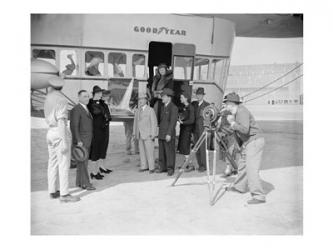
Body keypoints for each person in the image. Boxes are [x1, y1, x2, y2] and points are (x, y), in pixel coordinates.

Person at [223, 92, 266, 205]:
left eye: (226, 104)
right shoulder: (237, 113)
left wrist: (232, 123)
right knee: (242, 165)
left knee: (251, 169)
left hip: (255, 141)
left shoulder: (241, 111)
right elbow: (238, 132)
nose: (225, 106)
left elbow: (245, 130)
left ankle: (259, 196)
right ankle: (239, 187)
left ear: (232, 104)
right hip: (248, 142)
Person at [44, 77, 80, 202]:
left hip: (50, 132)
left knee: (52, 163)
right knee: (64, 164)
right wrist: (64, 142)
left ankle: (52, 191)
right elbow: (61, 121)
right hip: (59, 132)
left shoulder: (48, 97)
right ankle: (64, 195)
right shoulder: (61, 99)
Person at [70, 90, 96, 191]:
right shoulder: (77, 109)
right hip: (82, 141)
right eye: (85, 96)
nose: (87, 98)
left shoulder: (85, 108)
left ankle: (79, 182)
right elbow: (74, 126)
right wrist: (78, 140)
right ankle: (86, 183)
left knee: (82, 163)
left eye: (88, 96)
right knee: (84, 163)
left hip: (87, 139)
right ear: (79, 97)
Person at [87, 85, 112, 180]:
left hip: (104, 129)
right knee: (95, 151)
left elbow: (107, 114)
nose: (100, 94)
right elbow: (95, 114)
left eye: (101, 93)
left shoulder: (102, 103)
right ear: (94, 94)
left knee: (103, 147)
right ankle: (94, 172)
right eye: (99, 93)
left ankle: (100, 168)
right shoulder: (90, 104)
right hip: (96, 130)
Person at [156, 88, 178, 176]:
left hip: (168, 134)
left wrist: (169, 133)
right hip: (161, 133)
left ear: (169, 97)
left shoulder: (174, 108)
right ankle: (162, 167)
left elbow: (172, 122)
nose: (162, 98)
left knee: (170, 152)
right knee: (161, 151)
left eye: (163, 97)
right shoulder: (162, 107)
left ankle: (170, 168)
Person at [133, 95, 158, 173]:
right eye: (139, 99)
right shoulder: (137, 110)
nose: (140, 100)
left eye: (142, 99)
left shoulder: (150, 110)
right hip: (140, 134)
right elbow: (135, 123)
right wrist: (134, 133)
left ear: (146, 100)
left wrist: (153, 134)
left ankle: (152, 167)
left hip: (148, 134)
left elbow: (154, 123)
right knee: (142, 151)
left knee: (150, 152)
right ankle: (144, 166)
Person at [192, 87, 210, 172]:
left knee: (203, 148)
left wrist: (207, 128)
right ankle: (200, 165)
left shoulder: (207, 105)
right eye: (198, 95)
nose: (199, 96)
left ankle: (204, 166)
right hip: (195, 129)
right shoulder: (194, 104)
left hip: (203, 129)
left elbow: (208, 118)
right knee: (196, 148)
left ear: (203, 95)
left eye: (200, 95)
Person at [177, 92, 195, 172]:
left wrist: (183, 122)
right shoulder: (186, 107)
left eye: (182, 97)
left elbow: (192, 120)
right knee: (184, 148)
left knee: (186, 148)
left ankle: (190, 165)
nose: (180, 99)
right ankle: (186, 164)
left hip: (187, 131)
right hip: (184, 130)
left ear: (186, 98)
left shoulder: (190, 107)